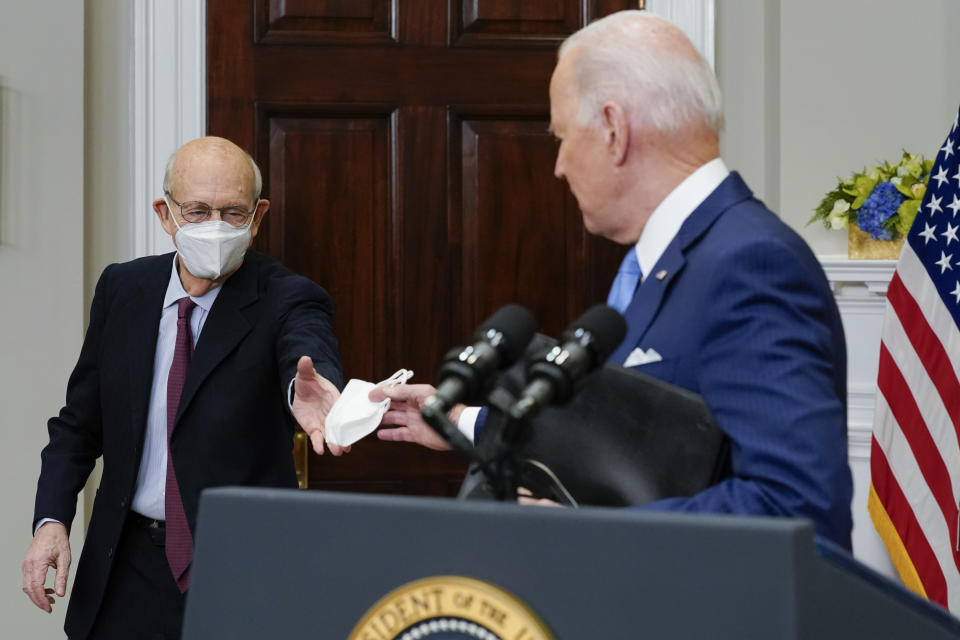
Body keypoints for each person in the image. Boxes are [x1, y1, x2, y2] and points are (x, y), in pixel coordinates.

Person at [372, 11, 853, 549]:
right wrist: (471, 421)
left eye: (561, 136)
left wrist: (593, 535)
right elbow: (645, 441)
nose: (557, 165)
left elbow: (796, 507)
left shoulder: (751, 263)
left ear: (613, 130)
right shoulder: (663, 262)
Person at [21, 136, 346, 640]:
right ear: (165, 213)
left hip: (237, 570)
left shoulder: (289, 298)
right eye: (197, 210)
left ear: (257, 217)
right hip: (124, 568)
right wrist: (50, 521)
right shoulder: (123, 289)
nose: (215, 226)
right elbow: (80, 424)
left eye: (233, 212)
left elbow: (306, 354)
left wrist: (309, 389)